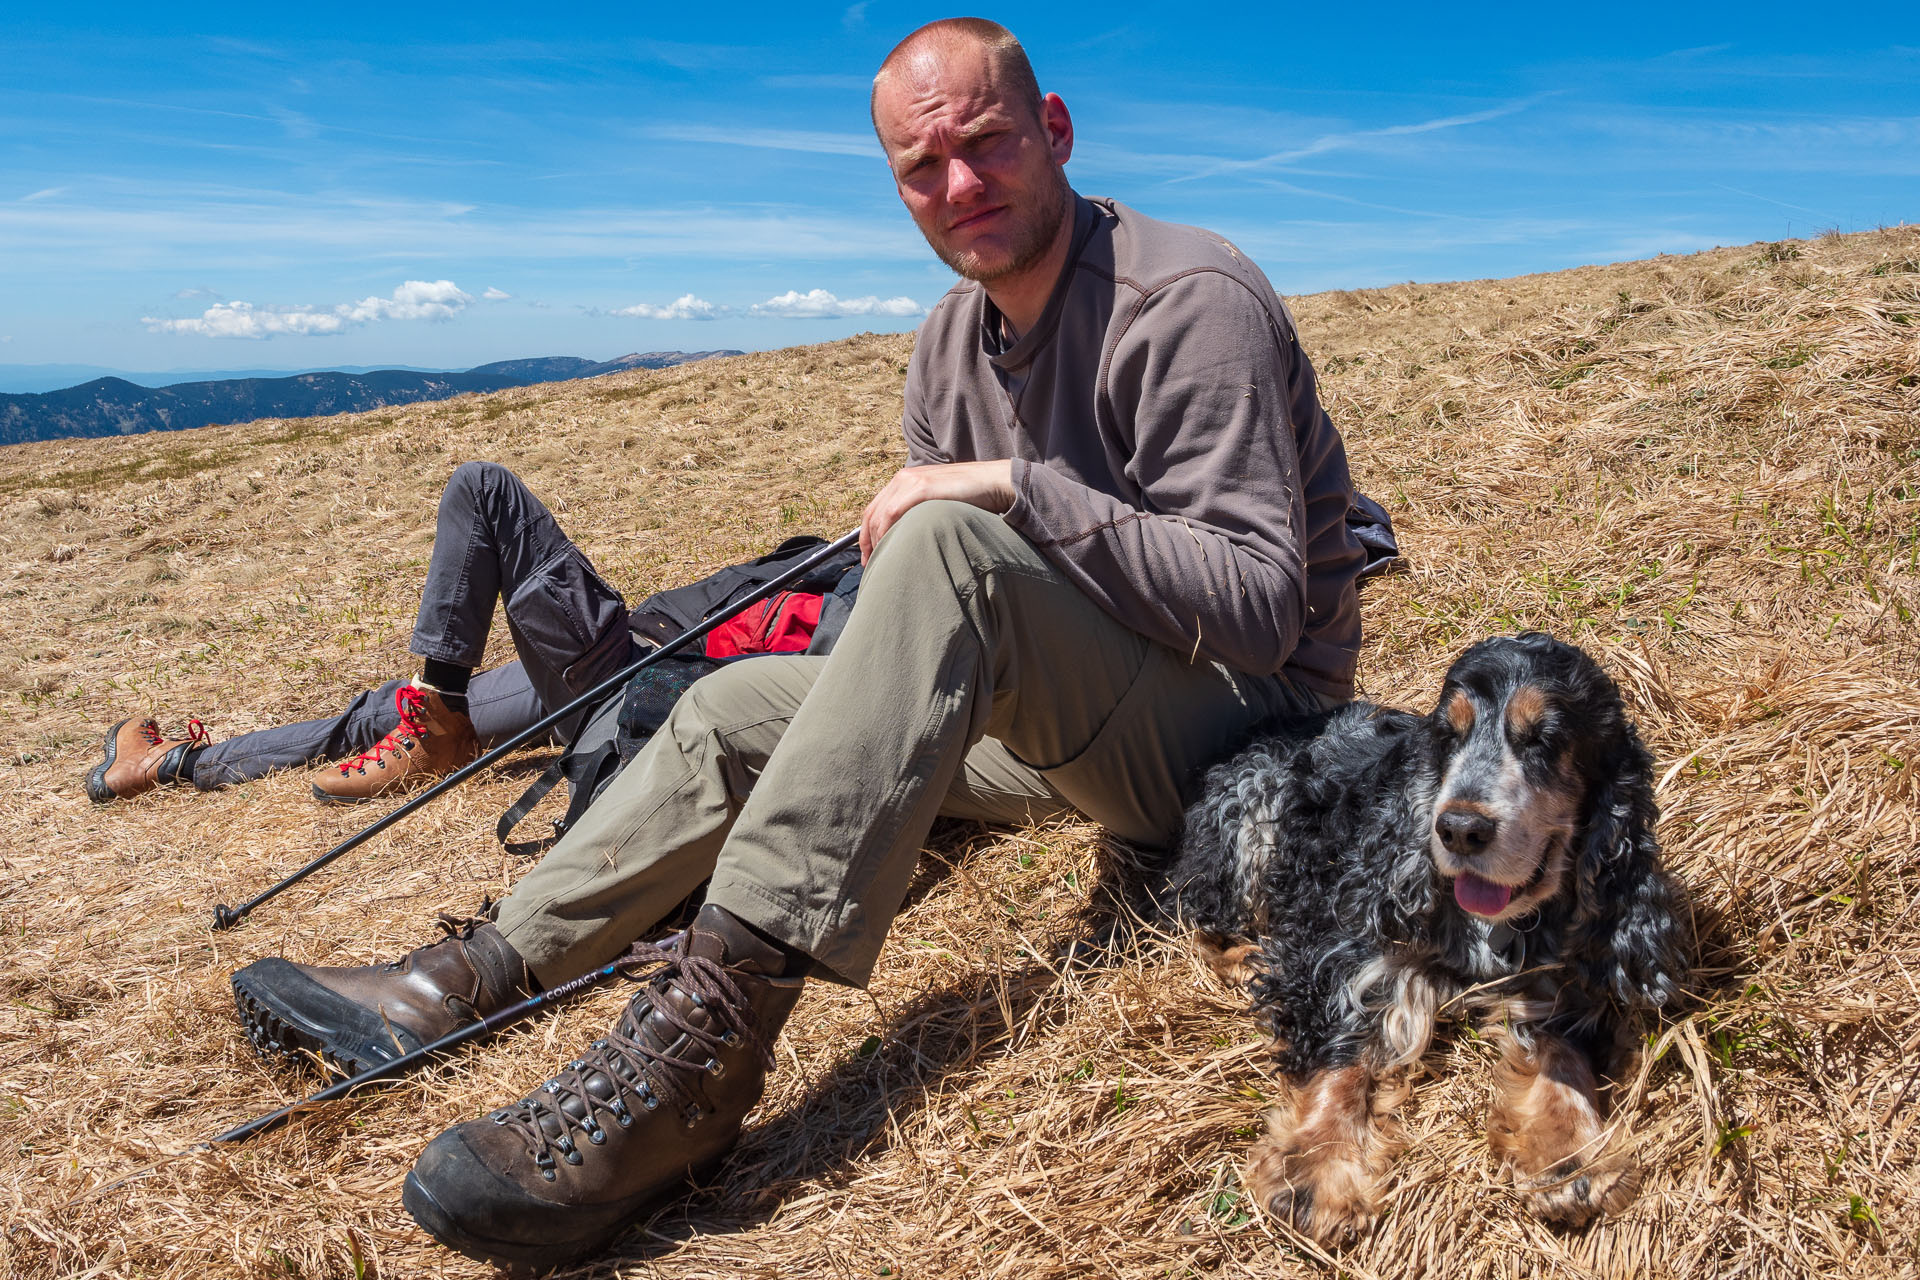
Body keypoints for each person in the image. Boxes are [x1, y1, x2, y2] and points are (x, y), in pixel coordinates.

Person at [226, 17, 1368, 1269]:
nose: (959, 186)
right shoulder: (949, 342)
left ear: (1055, 133)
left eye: (986, 144)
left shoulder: (1186, 299)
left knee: (951, 539)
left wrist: (1013, 490)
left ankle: (699, 1055)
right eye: (920, 169)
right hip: (1065, 727)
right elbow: (954, 610)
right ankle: (475, 974)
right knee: (726, 709)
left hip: (1244, 736)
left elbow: (1260, 607)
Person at [85, 460, 634, 807]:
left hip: (649, 681)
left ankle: (440, 711)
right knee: (392, 715)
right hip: (638, 661)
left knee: (483, 488)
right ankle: (164, 766)